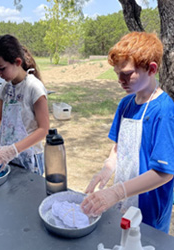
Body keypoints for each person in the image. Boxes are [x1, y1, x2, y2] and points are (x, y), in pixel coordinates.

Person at [81, 32, 174, 233]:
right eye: (117, 74)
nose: (120, 80)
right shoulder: (126, 103)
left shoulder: (164, 110)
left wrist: (117, 191)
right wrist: (107, 168)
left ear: (151, 69)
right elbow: (118, 148)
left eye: (127, 73)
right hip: (124, 201)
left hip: (150, 209)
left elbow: (163, 173)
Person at [0, 34, 49, 175]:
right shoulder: (5, 87)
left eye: (1, 68)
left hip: (30, 156)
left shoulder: (33, 87)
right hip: (6, 156)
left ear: (17, 62)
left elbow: (43, 129)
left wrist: (14, 150)